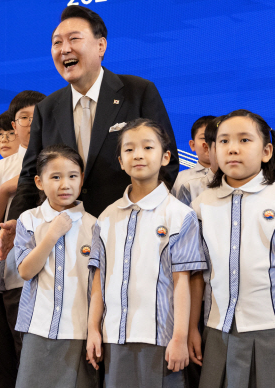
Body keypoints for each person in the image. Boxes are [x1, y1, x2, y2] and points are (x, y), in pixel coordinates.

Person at [5, 5, 179, 256]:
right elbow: (30, 176)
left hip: (130, 234)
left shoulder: (138, 92)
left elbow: (167, 162)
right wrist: (17, 221)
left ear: (101, 46)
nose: (64, 49)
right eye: (57, 43)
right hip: (65, 241)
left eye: (74, 39)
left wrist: (147, 216)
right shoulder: (47, 108)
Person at [189, 110, 275, 388]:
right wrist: (192, 328)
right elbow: (196, 276)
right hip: (218, 330)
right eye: (224, 141)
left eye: (244, 140)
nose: (233, 148)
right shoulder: (202, 205)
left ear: (266, 151)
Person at [87, 119, 205, 388]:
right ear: (120, 161)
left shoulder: (180, 215)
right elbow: (98, 281)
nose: (138, 155)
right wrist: (93, 329)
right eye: (129, 150)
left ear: (165, 157)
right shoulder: (106, 217)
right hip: (113, 336)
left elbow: (183, 281)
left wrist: (180, 336)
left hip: (161, 338)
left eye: (147, 147)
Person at [0, 90, 46, 388]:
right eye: (23, 118)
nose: (30, 123)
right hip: (6, 278)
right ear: (13, 126)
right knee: (2, 364)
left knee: (34, 360)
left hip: (45, 278)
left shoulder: (61, 163)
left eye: (36, 116)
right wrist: (6, 190)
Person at [13, 144, 98, 388]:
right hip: (37, 327)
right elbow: (25, 271)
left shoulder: (95, 225)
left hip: (79, 330)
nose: (65, 185)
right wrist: (52, 235)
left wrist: (94, 330)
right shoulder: (28, 219)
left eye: (72, 176)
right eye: (56, 177)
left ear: (81, 179)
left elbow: (97, 284)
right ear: (39, 182)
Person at [174, 116, 222, 207]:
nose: (211, 143)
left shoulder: (234, 177)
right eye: (204, 138)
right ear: (192, 145)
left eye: (217, 138)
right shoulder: (180, 179)